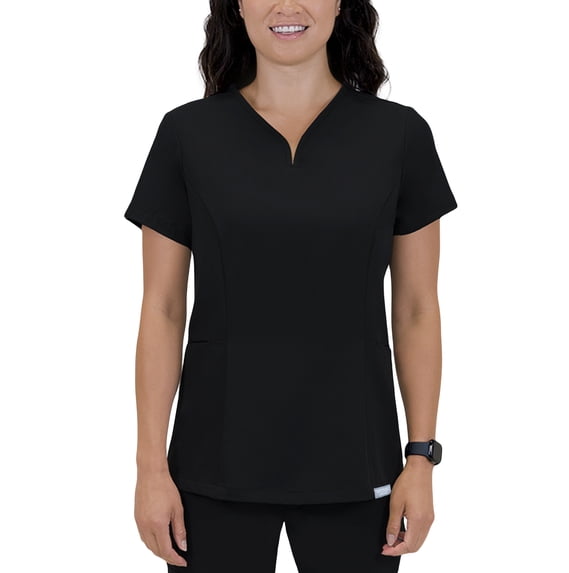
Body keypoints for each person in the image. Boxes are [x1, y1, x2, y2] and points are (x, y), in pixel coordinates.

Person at [124, 1, 458, 571]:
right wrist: (150, 468)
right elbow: (162, 307)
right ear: (237, 5)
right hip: (212, 464)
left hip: (359, 463)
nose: (287, 4)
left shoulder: (399, 135)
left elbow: (416, 309)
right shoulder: (187, 134)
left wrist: (420, 458)